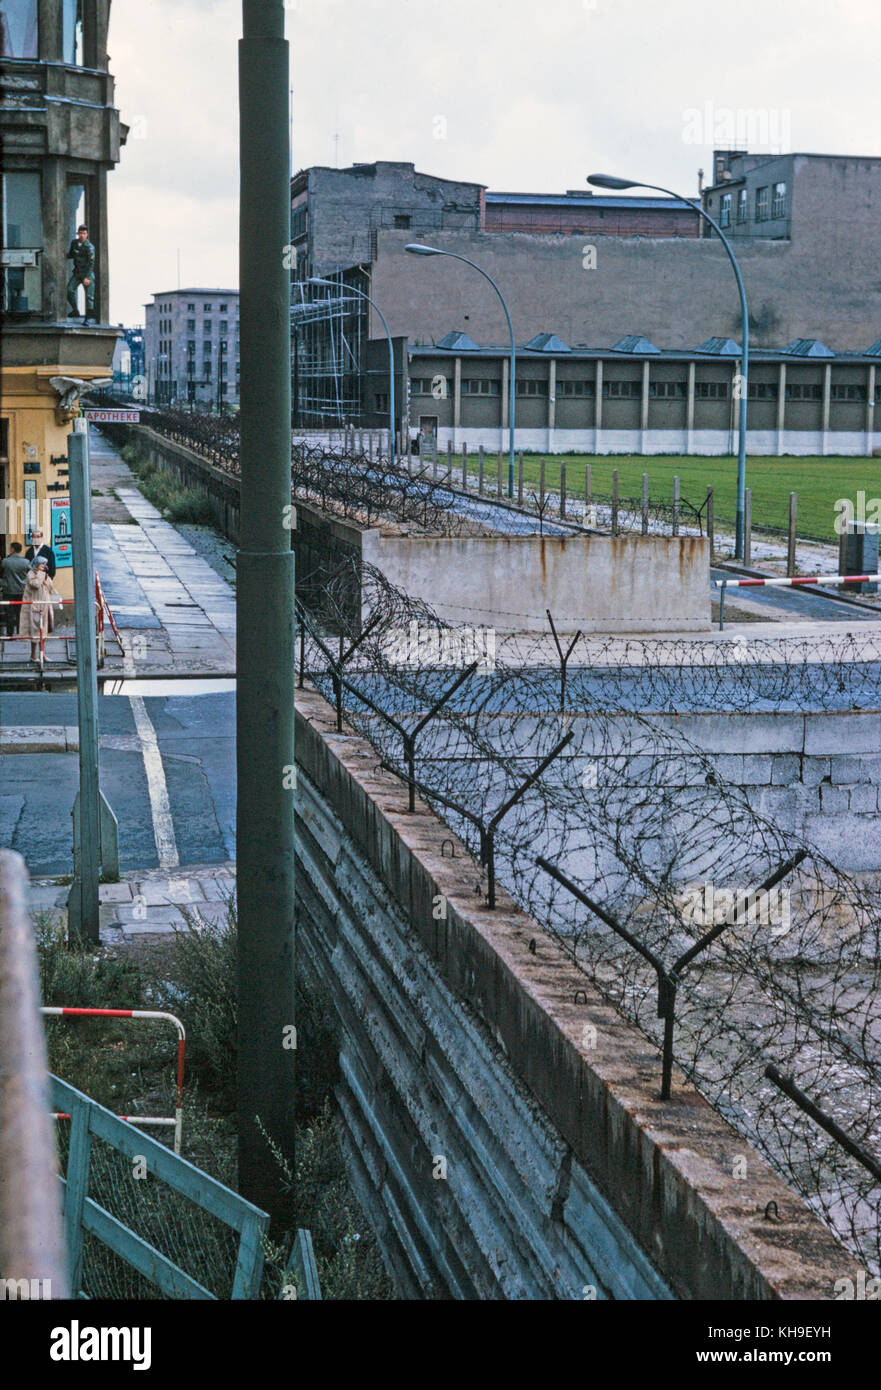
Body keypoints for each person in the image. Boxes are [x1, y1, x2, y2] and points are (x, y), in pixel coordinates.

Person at [19, 558, 61, 663]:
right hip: (35, 607)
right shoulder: (31, 574)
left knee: (44, 631)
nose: (44, 565)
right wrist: (42, 575)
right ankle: (33, 655)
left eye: (44, 564)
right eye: (42, 563)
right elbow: (36, 585)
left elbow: (50, 587)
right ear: (36, 564)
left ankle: (43, 655)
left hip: (45, 606)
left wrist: (46, 576)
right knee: (35, 632)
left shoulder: (43, 574)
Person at [66, 224, 96, 324]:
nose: (82, 235)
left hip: (87, 273)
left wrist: (87, 277)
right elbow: (71, 254)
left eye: (84, 233)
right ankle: (75, 310)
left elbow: (91, 263)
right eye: (80, 233)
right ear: (78, 234)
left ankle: (88, 318)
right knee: (70, 290)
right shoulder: (74, 243)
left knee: (89, 297)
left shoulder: (90, 247)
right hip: (77, 273)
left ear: (87, 234)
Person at [1, 541, 29, 638]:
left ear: (12, 549)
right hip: (21, 591)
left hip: (8, 590)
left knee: (9, 613)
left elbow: (1, 573)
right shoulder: (26, 562)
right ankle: (20, 632)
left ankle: (10, 634)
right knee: (20, 613)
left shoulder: (5, 561)